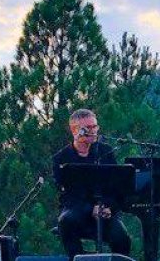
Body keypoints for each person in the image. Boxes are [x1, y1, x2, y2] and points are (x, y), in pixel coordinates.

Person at [52, 109, 132, 260]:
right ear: (74, 130)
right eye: (87, 128)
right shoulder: (61, 158)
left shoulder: (106, 151)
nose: (93, 131)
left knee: (122, 239)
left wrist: (109, 206)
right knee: (65, 222)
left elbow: (115, 186)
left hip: (104, 210)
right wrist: (90, 208)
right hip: (77, 210)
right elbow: (67, 193)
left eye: (95, 127)